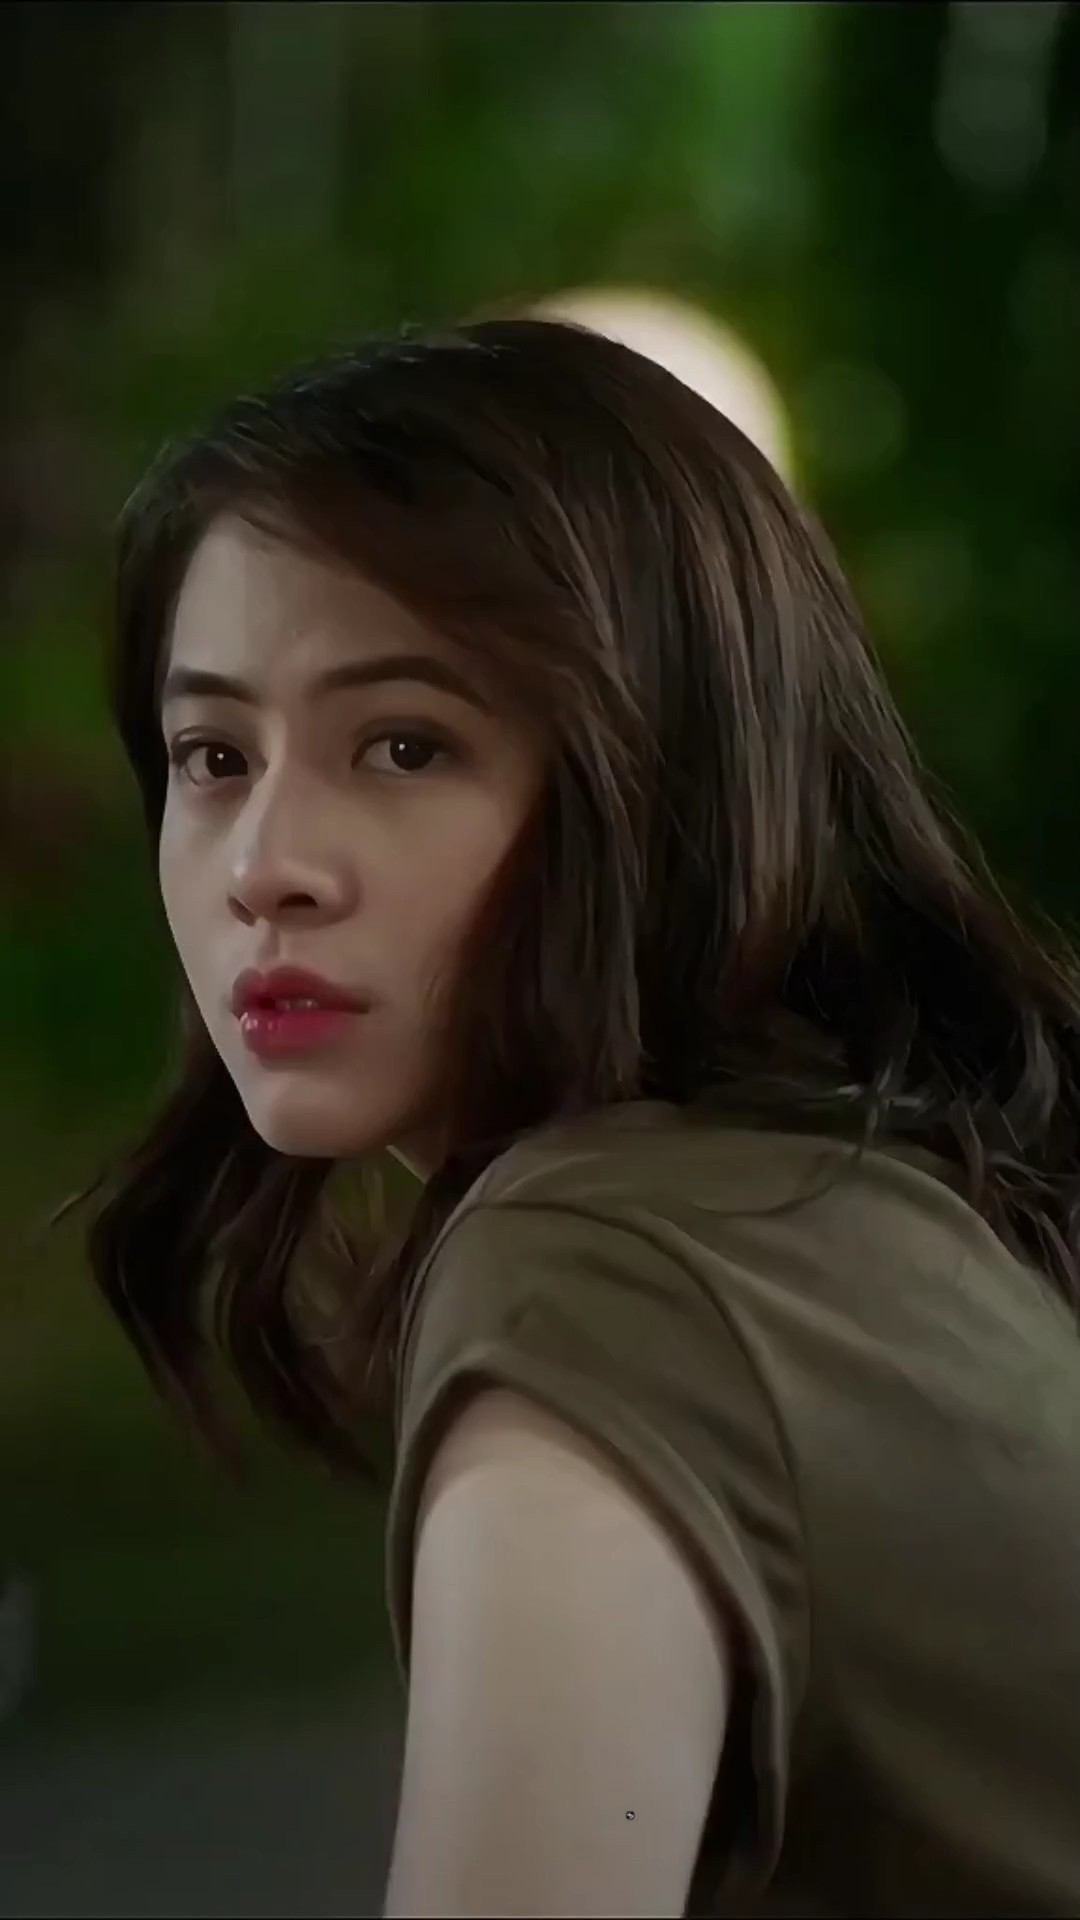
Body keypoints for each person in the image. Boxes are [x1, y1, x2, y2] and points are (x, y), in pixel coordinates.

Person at [52, 318, 1079, 1918]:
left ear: (659, 776)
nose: (264, 866)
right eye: (213, 755)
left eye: (405, 746)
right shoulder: (852, 1201)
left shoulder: (602, 1263)